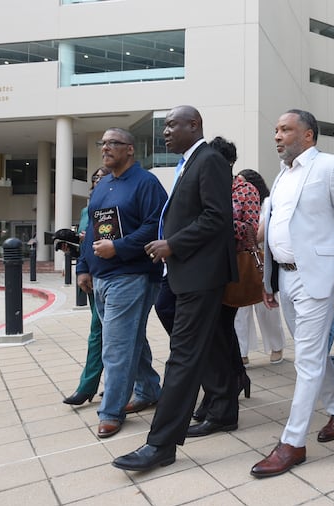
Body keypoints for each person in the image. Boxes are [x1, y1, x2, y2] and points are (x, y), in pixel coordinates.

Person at [112, 105, 237, 472]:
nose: (165, 132)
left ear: (193, 125)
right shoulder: (189, 161)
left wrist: (173, 244)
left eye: (171, 125)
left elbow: (217, 216)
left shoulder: (209, 159)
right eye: (164, 126)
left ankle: (161, 444)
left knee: (181, 358)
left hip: (201, 274)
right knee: (213, 343)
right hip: (187, 271)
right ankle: (224, 410)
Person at [249, 109, 334, 478]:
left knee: (308, 358)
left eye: (285, 129)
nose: (277, 136)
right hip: (285, 278)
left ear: (309, 136)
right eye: (276, 130)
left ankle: (292, 442)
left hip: (320, 277)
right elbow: (276, 230)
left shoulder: (332, 167)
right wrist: (269, 281)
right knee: (313, 353)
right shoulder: (281, 177)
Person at [75, 128, 166, 438]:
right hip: (100, 277)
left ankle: (111, 410)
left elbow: (158, 226)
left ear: (130, 149)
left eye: (113, 143)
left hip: (132, 276)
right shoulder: (102, 187)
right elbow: (92, 231)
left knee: (116, 346)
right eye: (103, 143)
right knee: (129, 340)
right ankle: (149, 389)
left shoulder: (147, 183)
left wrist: (120, 247)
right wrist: (83, 266)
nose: (106, 148)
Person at [188, 137, 255, 430]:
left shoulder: (245, 189)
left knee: (220, 331)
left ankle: (222, 395)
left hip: (231, 266)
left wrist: (216, 220)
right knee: (219, 333)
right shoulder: (206, 183)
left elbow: (249, 229)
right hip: (205, 266)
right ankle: (231, 383)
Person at [63, 166, 111, 406]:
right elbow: (85, 241)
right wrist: (71, 244)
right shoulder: (86, 209)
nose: (98, 181)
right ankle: (97, 385)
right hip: (92, 274)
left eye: (103, 177)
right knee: (100, 332)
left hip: (114, 274)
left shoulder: (117, 204)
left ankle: (91, 385)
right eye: (95, 178)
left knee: (104, 332)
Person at [233, 168, 286, 366]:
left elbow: (260, 232)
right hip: (241, 259)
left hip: (263, 260)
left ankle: (276, 346)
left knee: (267, 307)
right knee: (241, 310)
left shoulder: (267, 203)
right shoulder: (236, 201)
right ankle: (242, 351)